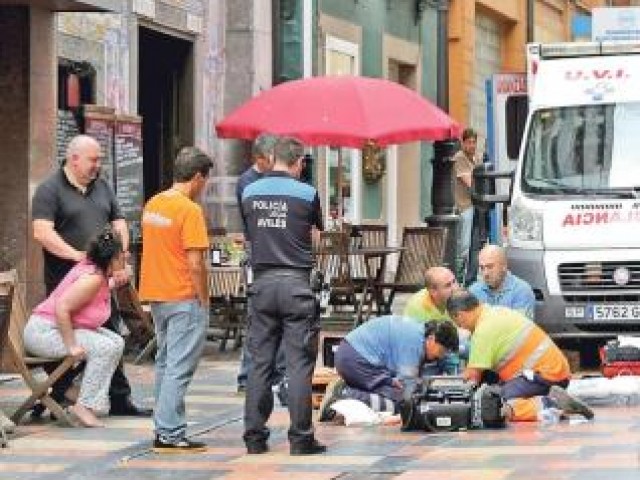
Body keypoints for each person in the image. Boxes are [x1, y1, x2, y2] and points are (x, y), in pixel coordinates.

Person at [31, 134, 151, 417]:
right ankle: (58, 395)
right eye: (93, 160)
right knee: (66, 335)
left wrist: (119, 257)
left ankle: (119, 398)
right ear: (73, 159)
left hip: (100, 276)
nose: (98, 165)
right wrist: (78, 257)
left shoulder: (102, 186)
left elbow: (119, 222)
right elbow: (42, 232)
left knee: (109, 331)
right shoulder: (50, 189)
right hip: (66, 278)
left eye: (99, 160)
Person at [241, 136, 325, 456]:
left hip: (261, 285)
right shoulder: (307, 193)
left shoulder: (249, 191)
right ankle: (301, 438)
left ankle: (254, 437)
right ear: (299, 162)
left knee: (260, 363)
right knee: (298, 364)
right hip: (296, 285)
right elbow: (316, 238)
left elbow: (251, 236)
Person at [139, 146, 213, 453]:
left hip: (157, 294)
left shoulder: (153, 204)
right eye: (206, 180)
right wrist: (205, 298)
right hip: (183, 295)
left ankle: (164, 427)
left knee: (166, 362)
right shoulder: (189, 210)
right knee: (179, 366)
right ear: (197, 177)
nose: (204, 187)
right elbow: (195, 263)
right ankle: (170, 432)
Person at [23, 228, 125, 427]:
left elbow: (89, 293)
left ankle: (80, 394)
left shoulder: (97, 272)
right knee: (104, 347)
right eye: (122, 255)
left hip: (55, 328)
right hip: (44, 333)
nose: (125, 258)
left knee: (117, 341)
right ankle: (84, 405)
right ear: (112, 258)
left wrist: (113, 282)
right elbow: (62, 307)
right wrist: (71, 346)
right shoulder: (92, 278)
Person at [446, 290, 594, 423]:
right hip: (555, 372)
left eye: (457, 322)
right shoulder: (495, 312)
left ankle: (552, 403)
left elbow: (472, 377)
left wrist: (446, 387)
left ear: (460, 315)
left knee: (494, 402)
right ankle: (551, 400)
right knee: (493, 389)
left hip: (544, 375)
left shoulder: (483, 331)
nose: (460, 327)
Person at [319, 317, 459, 421]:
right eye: (441, 351)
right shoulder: (413, 342)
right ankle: (343, 395)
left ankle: (348, 389)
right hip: (356, 359)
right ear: (432, 339)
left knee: (399, 392)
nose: (439, 356)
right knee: (402, 404)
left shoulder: (418, 331)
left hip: (355, 356)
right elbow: (408, 389)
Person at [234, 134, 286, 396]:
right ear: (259, 159)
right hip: (258, 253)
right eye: (271, 159)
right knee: (258, 318)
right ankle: (248, 375)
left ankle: (275, 372)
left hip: (273, 254)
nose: (276, 163)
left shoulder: (272, 179)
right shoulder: (248, 182)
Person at [403, 266, 465, 374]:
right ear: (433, 291)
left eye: (454, 281)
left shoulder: (458, 298)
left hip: (450, 345)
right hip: (426, 353)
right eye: (448, 285)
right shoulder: (417, 307)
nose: (455, 288)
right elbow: (413, 346)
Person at [468, 244, 535, 319]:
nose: (485, 273)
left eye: (490, 267)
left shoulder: (521, 291)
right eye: (482, 268)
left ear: (504, 266)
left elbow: (520, 327)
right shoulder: (474, 291)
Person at [452, 128, 480, 280]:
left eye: (474, 142)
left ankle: (469, 278)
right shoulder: (460, 158)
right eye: (469, 142)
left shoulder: (475, 159)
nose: (472, 145)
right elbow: (470, 183)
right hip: (464, 206)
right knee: (464, 245)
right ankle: (459, 277)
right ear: (462, 143)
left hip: (474, 205)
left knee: (473, 245)